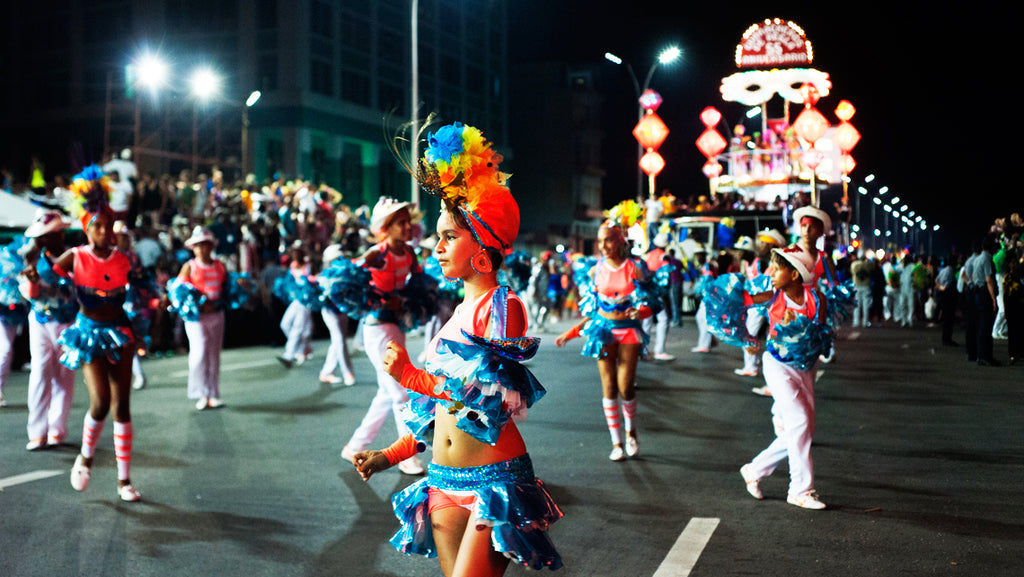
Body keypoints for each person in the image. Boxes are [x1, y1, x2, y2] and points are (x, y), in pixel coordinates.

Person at [352, 120, 562, 575]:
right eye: (438, 236)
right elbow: (439, 414)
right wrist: (389, 455)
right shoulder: (458, 311)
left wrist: (411, 377)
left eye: (450, 237)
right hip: (442, 480)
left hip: (494, 483)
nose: (437, 247)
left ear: (483, 244)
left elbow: (486, 400)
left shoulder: (503, 307)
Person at [53, 165, 141, 501]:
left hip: (120, 333)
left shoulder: (123, 260)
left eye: (108, 225)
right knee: (101, 402)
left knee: (122, 407)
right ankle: (86, 458)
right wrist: (33, 274)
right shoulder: (74, 256)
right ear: (87, 229)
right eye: (97, 226)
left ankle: (124, 480)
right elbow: (45, 280)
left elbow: (141, 289)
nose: (105, 231)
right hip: (89, 334)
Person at [557, 200, 656, 461]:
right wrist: (571, 333)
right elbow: (591, 311)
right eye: (600, 241)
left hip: (628, 332)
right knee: (609, 387)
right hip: (603, 331)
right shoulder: (595, 270)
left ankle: (631, 432)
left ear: (619, 240)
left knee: (626, 387)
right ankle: (616, 443)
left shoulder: (634, 268)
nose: (603, 246)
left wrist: (641, 311)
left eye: (608, 240)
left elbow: (650, 302)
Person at [738, 245, 830, 510]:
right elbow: (737, 303)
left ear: (794, 274)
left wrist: (801, 328)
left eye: (777, 269)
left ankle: (754, 469)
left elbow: (821, 337)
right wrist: (746, 338)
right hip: (777, 365)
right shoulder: (771, 296)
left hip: (807, 367)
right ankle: (800, 490)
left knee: (803, 429)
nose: (772, 273)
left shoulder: (817, 299)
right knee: (800, 421)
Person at [340, 196, 425, 476]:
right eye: (400, 222)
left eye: (408, 221)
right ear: (386, 227)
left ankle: (355, 446)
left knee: (386, 393)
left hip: (396, 326)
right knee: (400, 392)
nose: (407, 226)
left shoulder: (410, 253)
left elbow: (418, 284)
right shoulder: (377, 253)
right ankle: (407, 456)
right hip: (376, 328)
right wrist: (380, 300)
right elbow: (348, 279)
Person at [18, 210, 78, 449]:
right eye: (44, 235)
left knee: (65, 376)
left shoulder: (73, 257)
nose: (47, 239)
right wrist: (33, 282)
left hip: (69, 323)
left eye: (52, 234)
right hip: (41, 321)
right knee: (41, 372)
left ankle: (57, 430)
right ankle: (37, 432)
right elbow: (31, 295)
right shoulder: (31, 258)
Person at [173, 227, 231, 410]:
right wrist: (198, 302)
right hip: (196, 318)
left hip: (216, 314)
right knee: (199, 353)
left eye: (205, 244)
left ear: (211, 246)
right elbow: (178, 290)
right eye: (198, 245)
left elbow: (227, 288)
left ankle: (213, 394)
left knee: (214, 355)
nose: (202, 249)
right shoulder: (189, 266)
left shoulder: (220, 265)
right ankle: (201, 393)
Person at [737, 229, 786, 382]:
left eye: (764, 243)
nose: (760, 246)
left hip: (770, 307)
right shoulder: (767, 263)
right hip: (763, 306)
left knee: (757, 336)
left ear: (772, 246)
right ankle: (755, 365)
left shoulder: (777, 264)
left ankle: (753, 368)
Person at [317, 243, 356, 386]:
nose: (340, 261)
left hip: (342, 311)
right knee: (339, 339)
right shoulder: (324, 276)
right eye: (337, 258)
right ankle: (348, 372)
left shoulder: (347, 273)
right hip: (330, 311)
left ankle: (326, 372)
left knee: (337, 341)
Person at [971, 235, 1001, 366]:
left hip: (977, 293)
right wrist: (994, 299)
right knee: (986, 326)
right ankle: (986, 356)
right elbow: (989, 280)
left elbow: (973, 278)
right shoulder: (987, 259)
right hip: (984, 294)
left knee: (981, 326)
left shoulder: (977, 259)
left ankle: (980, 355)